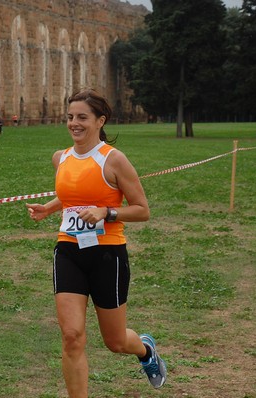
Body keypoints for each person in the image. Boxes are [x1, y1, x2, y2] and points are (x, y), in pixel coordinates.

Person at [26, 89, 166, 397]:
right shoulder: (60, 158)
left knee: (115, 342)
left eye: (82, 118)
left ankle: (145, 351)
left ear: (100, 121)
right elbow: (71, 195)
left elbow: (142, 210)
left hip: (108, 255)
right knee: (72, 336)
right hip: (68, 251)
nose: (74, 124)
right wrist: (48, 208)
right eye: (70, 117)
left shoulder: (114, 160)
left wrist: (107, 212)